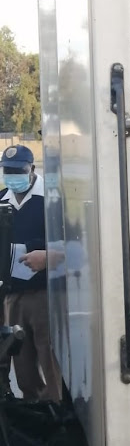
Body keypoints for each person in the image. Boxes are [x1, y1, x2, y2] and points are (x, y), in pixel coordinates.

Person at [0, 145, 62, 402]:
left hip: (44, 295)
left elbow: (78, 245)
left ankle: (58, 415)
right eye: (8, 171)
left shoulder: (52, 199)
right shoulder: (2, 199)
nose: (13, 176)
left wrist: (47, 258)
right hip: (12, 297)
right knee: (21, 365)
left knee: (51, 361)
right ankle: (33, 415)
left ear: (32, 169)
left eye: (19, 171)